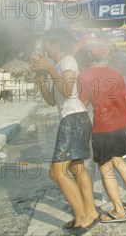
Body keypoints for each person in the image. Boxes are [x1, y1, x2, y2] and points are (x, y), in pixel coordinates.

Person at [30, 28, 98, 231]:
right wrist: (42, 82)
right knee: (77, 168)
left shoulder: (67, 61)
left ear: (55, 44)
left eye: (47, 45)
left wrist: (50, 69)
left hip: (74, 119)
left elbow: (68, 91)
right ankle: (91, 211)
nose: (45, 50)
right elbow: (52, 101)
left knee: (57, 172)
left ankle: (82, 217)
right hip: (73, 118)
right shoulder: (59, 64)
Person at [75, 47, 126, 223]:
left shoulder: (83, 76)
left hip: (104, 126)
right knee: (119, 160)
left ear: (80, 63)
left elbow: (82, 102)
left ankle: (119, 211)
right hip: (123, 122)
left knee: (105, 166)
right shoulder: (114, 72)